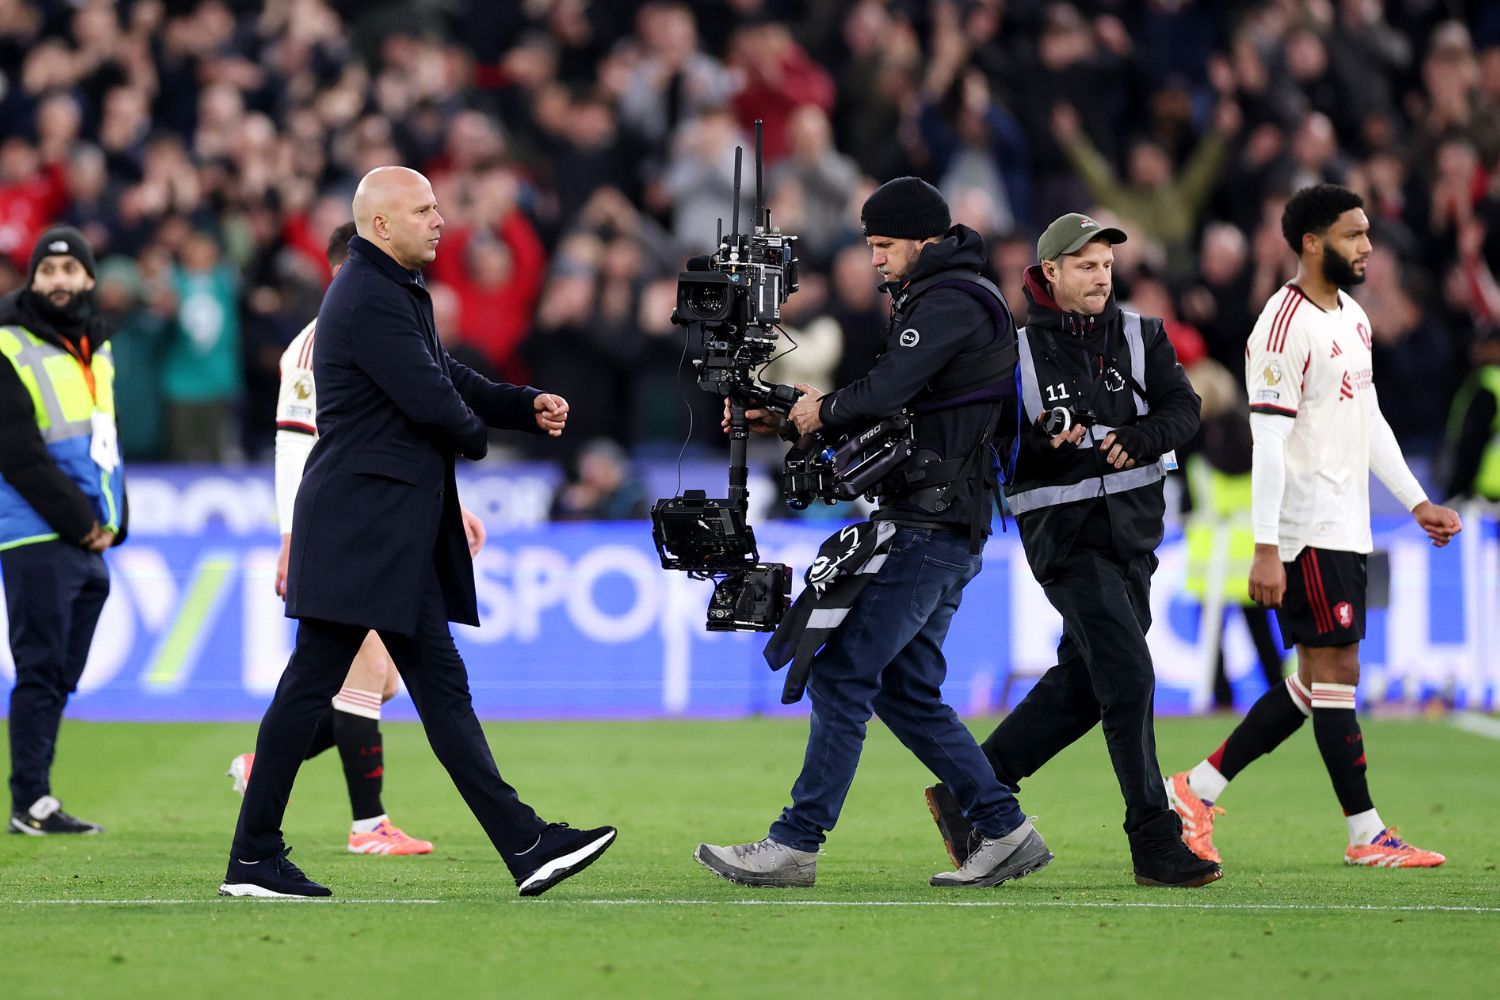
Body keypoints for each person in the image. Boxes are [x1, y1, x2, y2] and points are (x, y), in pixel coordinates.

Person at [219, 166, 616, 898]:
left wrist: (521, 405)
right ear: (380, 224)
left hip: (379, 530)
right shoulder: (369, 295)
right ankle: (254, 857)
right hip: (362, 527)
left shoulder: (389, 289)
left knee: (427, 688)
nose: (441, 220)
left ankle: (526, 845)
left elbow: (446, 376)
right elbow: (433, 399)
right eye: (424, 209)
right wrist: (476, 435)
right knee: (322, 686)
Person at [695, 177, 1051, 889]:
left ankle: (796, 843)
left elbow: (884, 393)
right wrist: (795, 411)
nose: (875, 260)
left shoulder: (951, 300)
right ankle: (1006, 829)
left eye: (884, 245)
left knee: (844, 671)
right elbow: (897, 406)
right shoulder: (947, 299)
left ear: (923, 239)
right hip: (943, 521)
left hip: (931, 523)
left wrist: (817, 411)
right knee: (905, 690)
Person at [1166, 184, 1462, 868]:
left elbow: (1370, 420)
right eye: (1353, 235)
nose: (1365, 246)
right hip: (1305, 528)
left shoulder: (1352, 318)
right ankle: (1364, 832)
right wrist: (1268, 547)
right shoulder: (1280, 326)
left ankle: (1196, 788)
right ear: (1311, 242)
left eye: (1366, 234)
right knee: (1333, 673)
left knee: (1325, 676)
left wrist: (1416, 501)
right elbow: (1267, 443)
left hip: (1347, 521)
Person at [923, 213, 1221, 888]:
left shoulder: (1144, 335)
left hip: (1136, 536)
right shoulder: (1015, 351)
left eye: (1107, 264)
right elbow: (988, 439)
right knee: (1131, 674)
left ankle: (973, 789)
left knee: (1090, 683)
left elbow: (1185, 408)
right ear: (1049, 272)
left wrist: (1141, 439)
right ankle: (1154, 840)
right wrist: (1037, 443)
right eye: (1085, 264)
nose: (1101, 276)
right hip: (1066, 538)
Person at [225, 221, 486, 857]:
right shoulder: (315, 344)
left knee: (375, 682)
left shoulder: (375, 331)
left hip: (379, 519)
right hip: (343, 526)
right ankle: (368, 825)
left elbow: (402, 431)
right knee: (361, 675)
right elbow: (295, 443)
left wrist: (456, 507)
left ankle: (267, 764)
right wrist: (291, 536)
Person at [0, 227, 121, 835]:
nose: (58, 281)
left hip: (86, 533)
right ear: (32, 279)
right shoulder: (7, 344)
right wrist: (85, 525)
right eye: (48, 271)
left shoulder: (95, 347)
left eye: (71, 270)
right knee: (42, 668)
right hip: (35, 531)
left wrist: (116, 524)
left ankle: (36, 798)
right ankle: (31, 801)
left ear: (89, 280)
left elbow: (104, 446)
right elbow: (18, 455)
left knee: (58, 675)